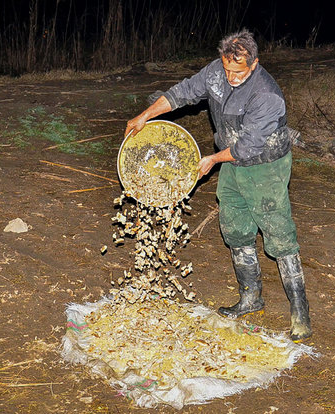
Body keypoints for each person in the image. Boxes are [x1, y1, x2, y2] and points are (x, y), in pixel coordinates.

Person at [125, 29, 312, 341]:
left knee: (279, 235)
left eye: (238, 71)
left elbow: (248, 147)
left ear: (253, 64)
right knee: (235, 229)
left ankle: (300, 312)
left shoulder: (266, 96)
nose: (231, 76)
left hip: (265, 166)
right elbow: (181, 93)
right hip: (232, 162)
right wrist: (144, 116)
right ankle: (251, 298)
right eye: (227, 68)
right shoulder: (216, 72)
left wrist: (212, 160)